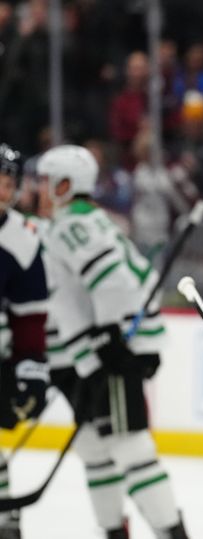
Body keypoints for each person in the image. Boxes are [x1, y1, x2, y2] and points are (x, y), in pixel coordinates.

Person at [35, 145, 188, 538]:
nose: (39, 190)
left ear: (65, 186)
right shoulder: (81, 220)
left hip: (115, 353)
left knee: (131, 449)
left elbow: (113, 282)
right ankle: (113, 531)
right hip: (96, 355)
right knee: (96, 450)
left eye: (45, 182)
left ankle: (173, 533)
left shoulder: (72, 224)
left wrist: (109, 342)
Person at [0, 143, 48, 539]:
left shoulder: (24, 238)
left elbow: (29, 316)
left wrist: (31, 368)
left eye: (8, 180)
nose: (1, 187)